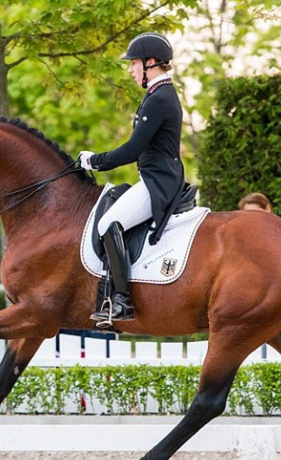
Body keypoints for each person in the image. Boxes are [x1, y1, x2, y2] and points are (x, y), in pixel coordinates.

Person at [78, 32, 185, 328]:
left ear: (150, 63)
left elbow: (132, 149)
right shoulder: (157, 95)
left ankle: (120, 300)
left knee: (107, 224)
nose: (129, 69)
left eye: (133, 63)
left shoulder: (159, 98)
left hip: (158, 181)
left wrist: (94, 161)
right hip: (157, 176)